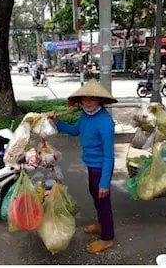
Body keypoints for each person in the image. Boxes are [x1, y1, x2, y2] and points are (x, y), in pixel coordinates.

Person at [48, 79, 118, 254]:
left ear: (99, 100)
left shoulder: (105, 122)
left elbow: (109, 155)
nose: (88, 102)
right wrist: (57, 123)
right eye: (85, 98)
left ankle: (107, 238)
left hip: (101, 168)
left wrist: (104, 183)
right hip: (90, 165)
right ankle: (101, 225)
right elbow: (75, 131)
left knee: (103, 202)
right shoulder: (86, 115)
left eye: (92, 99)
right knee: (95, 197)